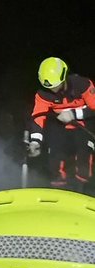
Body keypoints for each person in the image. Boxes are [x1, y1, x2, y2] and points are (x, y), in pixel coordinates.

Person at [25, 56, 95, 192]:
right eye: (49, 87)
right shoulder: (43, 94)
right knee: (55, 154)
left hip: (83, 126)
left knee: (84, 154)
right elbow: (38, 116)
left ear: (63, 78)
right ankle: (59, 186)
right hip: (60, 127)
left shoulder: (83, 85)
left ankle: (83, 188)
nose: (53, 90)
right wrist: (35, 141)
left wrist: (74, 114)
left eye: (55, 85)